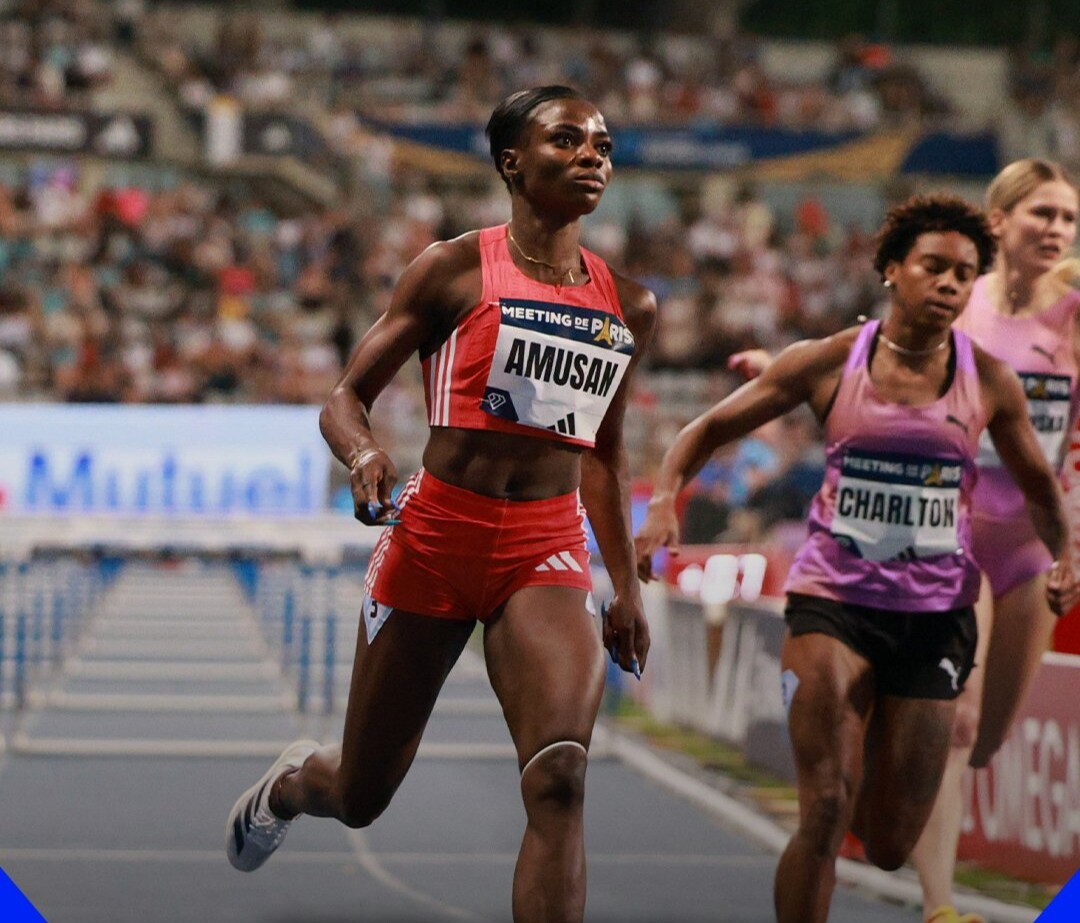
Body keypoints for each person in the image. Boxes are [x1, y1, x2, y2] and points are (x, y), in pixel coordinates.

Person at [224, 85, 655, 923]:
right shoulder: (454, 269)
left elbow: (604, 453)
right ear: (512, 163)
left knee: (561, 779)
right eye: (567, 140)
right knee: (360, 793)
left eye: (602, 145)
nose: (591, 157)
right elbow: (344, 398)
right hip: (436, 539)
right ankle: (289, 787)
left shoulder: (628, 304)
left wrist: (627, 586)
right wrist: (364, 453)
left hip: (544, 546)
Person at [634, 194, 1077, 923]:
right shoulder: (834, 360)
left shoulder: (991, 380)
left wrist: (1063, 555)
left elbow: (1039, 485)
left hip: (936, 616)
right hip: (832, 603)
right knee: (826, 807)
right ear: (892, 269)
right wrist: (661, 504)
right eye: (933, 266)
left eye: (964, 274)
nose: (949, 284)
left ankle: (870, 735)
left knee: (891, 843)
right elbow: (706, 429)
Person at [909, 159, 1080, 923]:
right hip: (953, 535)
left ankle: (904, 769)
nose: (1057, 229)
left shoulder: (1073, 319)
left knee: (989, 739)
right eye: (1043, 212)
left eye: (1069, 218)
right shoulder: (958, 301)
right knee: (961, 719)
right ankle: (940, 906)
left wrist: (1073, 547)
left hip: (1034, 548)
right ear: (999, 220)